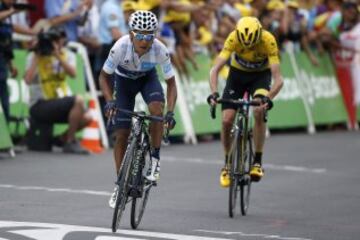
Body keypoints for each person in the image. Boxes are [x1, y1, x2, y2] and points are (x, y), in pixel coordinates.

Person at [99, 10, 177, 208]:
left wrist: (170, 112)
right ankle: (120, 184)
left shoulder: (160, 49)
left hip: (147, 80)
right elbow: (103, 77)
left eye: (149, 35)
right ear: (132, 34)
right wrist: (109, 101)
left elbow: (171, 83)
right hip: (124, 83)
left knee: (156, 110)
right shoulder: (120, 47)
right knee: (121, 134)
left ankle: (155, 160)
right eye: (140, 35)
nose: (144, 40)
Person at [207, 16, 283, 187]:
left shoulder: (268, 40)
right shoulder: (233, 37)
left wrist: (268, 99)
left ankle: (257, 160)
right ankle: (226, 164)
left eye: (253, 44)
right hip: (237, 77)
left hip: (260, 77)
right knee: (226, 121)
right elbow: (215, 70)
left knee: (258, 110)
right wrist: (213, 93)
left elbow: (278, 79)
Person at [24, 27, 92, 154]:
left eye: (58, 40)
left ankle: (61, 138)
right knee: (79, 100)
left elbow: (72, 74)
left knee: (87, 117)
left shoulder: (67, 54)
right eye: (53, 40)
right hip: (39, 104)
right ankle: (70, 142)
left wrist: (57, 55)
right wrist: (37, 56)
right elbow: (27, 80)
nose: (56, 43)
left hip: (59, 102)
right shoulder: (34, 56)